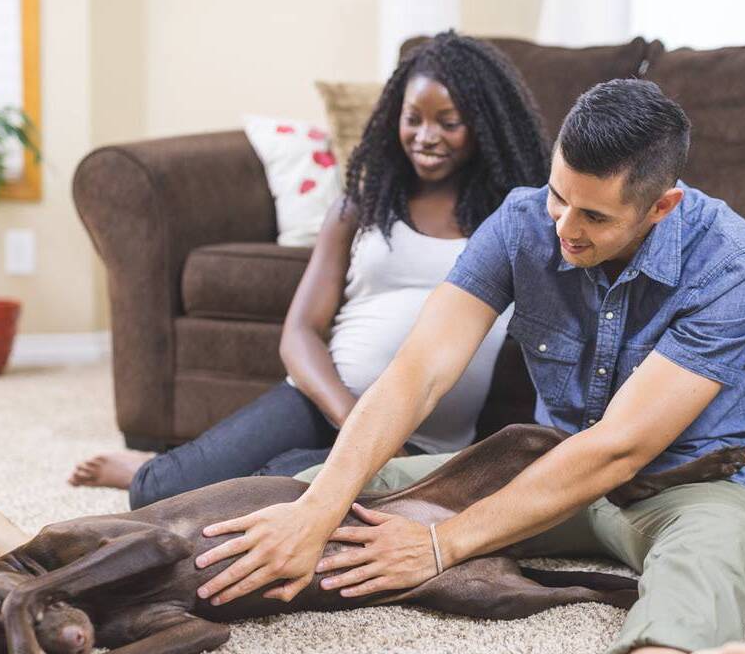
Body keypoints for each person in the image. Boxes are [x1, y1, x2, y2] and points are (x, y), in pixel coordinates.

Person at [187, 79, 745, 654]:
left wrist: (443, 544)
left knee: (709, 557)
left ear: (662, 206)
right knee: (328, 488)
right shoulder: (521, 222)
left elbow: (620, 448)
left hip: (687, 483)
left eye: (595, 216)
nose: (565, 229)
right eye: (559, 196)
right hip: (549, 469)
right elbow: (418, 373)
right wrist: (318, 508)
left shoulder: (734, 260)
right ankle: (95, 564)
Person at [66, 30, 549, 509]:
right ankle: (147, 470)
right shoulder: (361, 207)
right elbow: (300, 331)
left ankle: (203, 466)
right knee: (161, 494)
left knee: (262, 496)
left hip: (424, 440)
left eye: (449, 122)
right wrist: (352, 417)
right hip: (323, 402)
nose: (426, 137)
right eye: (413, 118)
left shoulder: (513, 221)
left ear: (485, 126)